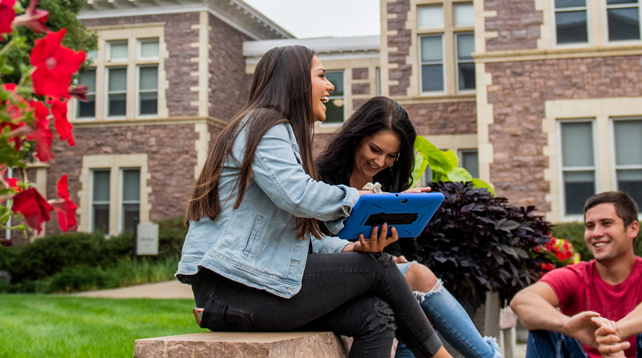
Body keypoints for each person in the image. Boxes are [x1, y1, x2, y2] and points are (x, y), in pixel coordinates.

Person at [175, 45, 452, 358]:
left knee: (374, 315)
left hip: (250, 286)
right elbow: (298, 195)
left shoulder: (279, 136)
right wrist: (364, 197)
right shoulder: (264, 127)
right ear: (296, 82)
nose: (330, 86)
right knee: (379, 267)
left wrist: (349, 248)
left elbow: (297, 238)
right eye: (321, 76)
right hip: (233, 289)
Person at [314, 97, 503, 358]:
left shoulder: (387, 183)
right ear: (356, 137)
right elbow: (311, 243)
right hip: (330, 278)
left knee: (409, 300)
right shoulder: (319, 180)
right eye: (375, 150)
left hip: (377, 278)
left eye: (391, 156)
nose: (380, 162)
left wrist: (393, 256)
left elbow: (404, 250)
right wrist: (363, 251)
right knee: (418, 277)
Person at [510, 192, 642, 358]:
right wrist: (567, 325)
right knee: (542, 325)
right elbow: (523, 301)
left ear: (633, 229)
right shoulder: (576, 276)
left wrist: (614, 332)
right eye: (590, 226)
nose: (596, 233)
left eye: (606, 223)